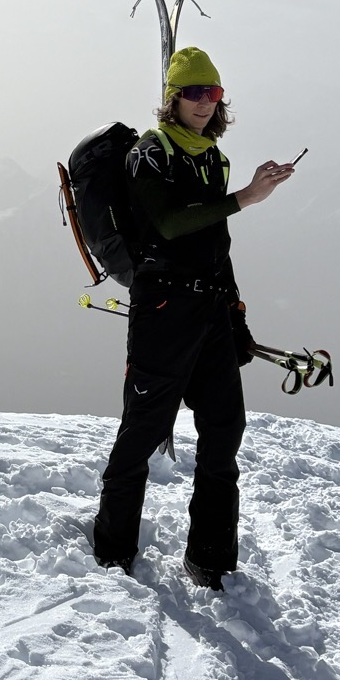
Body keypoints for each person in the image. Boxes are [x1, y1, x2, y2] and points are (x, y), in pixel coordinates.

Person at [87, 46, 295, 590]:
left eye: (214, 92)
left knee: (225, 430)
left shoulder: (211, 157)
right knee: (143, 432)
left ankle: (211, 559)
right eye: (194, 93)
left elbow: (215, 244)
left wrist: (236, 317)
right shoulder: (149, 153)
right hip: (162, 311)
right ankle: (112, 552)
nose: (205, 103)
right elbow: (169, 223)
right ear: (173, 99)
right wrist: (246, 197)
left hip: (210, 312)